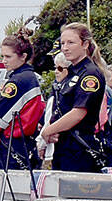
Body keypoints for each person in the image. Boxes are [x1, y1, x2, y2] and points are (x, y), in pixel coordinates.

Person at [40, 23, 108, 173]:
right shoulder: (71, 72)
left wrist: (48, 131)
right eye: (63, 43)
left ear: (85, 44)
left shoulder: (90, 74)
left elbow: (78, 113)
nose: (65, 48)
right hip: (64, 147)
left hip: (80, 149)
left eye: (71, 42)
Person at [0, 31, 45, 170]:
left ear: (23, 57)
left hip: (11, 146)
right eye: (2, 56)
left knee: (6, 189)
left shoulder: (18, 81)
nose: (3, 61)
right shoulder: (30, 77)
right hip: (24, 144)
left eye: (8, 56)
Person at [36, 55, 72, 169]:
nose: (56, 71)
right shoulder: (57, 88)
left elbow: (51, 120)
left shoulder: (67, 91)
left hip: (63, 146)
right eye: (55, 68)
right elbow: (47, 116)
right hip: (55, 146)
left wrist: (41, 143)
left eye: (60, 68)